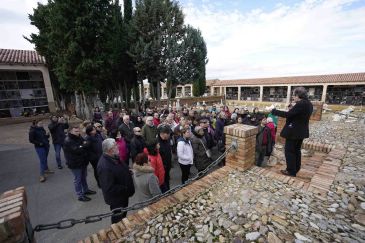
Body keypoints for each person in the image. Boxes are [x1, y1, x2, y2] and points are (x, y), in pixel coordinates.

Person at [271, 87, 313, 177]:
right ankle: (296, 168)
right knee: (297, 151)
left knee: (289, 151)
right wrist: (292, 109)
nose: (293, 97)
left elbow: (288, 115)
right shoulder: (309, 104)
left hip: (294, 132)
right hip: (301, 132)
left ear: (298, 95)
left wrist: (274, 111)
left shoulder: (301, 104)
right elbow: (297, 115)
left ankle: (291, 171)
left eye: (294, 95)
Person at [97, 138, 135, 223]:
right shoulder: (104, 167)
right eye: (115, 145)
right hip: (117, 199)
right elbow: (109, 188)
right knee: (117, 219)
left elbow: (119, 168)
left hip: (123, 195)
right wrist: (125, 188)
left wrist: (127, 170)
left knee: (123, 214)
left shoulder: (113, 157)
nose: (117, 146)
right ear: (110, 149)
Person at [63, 125, 96, 201]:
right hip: (75, 163)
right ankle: (80, 195)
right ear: (70, 131)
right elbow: (77, 150)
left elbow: (86, 143)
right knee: (78, 179)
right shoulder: (68, 140)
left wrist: (82, 145)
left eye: (78, 131)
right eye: (76, 131)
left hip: (82, 161)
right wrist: (83, 145)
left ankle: (85, 190)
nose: (78, 133)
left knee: (83, 177)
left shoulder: (78, 137)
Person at [157, 125, 173, 190]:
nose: (169, 135)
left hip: (168, 165)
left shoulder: (167, 139)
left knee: (167, 180)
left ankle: (168, 190)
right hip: (162, 167)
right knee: (162, 183)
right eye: (168, 134)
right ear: (162, 134)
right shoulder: (157, 143)